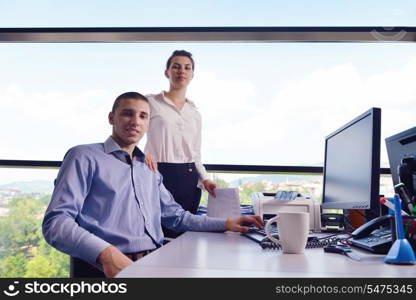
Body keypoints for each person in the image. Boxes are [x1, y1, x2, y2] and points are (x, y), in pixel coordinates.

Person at [42, 92, 263, 278]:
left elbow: (176, 217)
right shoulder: (84, 156)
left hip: (154, 263)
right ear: (111, 117)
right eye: (127, 113)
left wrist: (226, 223)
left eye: (143, 116)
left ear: (148, 124)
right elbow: (56, 223)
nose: (135, 121)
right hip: (103, 267)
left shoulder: (148, 168)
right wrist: (106, 254)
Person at [144, 50, 217, 237]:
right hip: (157, 173)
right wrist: (142, 155)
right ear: (166, 72)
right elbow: (132, 132)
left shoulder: (194, 112)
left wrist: (205, 178)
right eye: (175, 66)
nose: (181, 71)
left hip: (189, 177)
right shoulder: (150, 102)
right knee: (156, 232)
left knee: (185, 236)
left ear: (192, 74)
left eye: (187, 67)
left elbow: (195, 153)